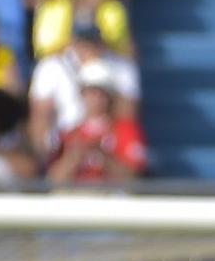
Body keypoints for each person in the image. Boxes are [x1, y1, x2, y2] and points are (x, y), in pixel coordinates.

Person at [31, 13, 140, 155]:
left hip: (107, 140)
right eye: (82, 42)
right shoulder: (50, 66)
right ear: (72, 41)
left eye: (92, 41)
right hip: (65, 142)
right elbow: (40, 116)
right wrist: (45, 152)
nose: (87, 47)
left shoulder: (121, 66)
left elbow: (127, 115)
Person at [48, 62, 146, 183]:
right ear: (82, 95)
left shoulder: (125, 130)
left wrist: (103, 155)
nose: (96, 99)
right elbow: (53, 180)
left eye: (102, 94)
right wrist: (75, 156)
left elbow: (133, 176)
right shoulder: (69, 133)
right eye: (91, 93)